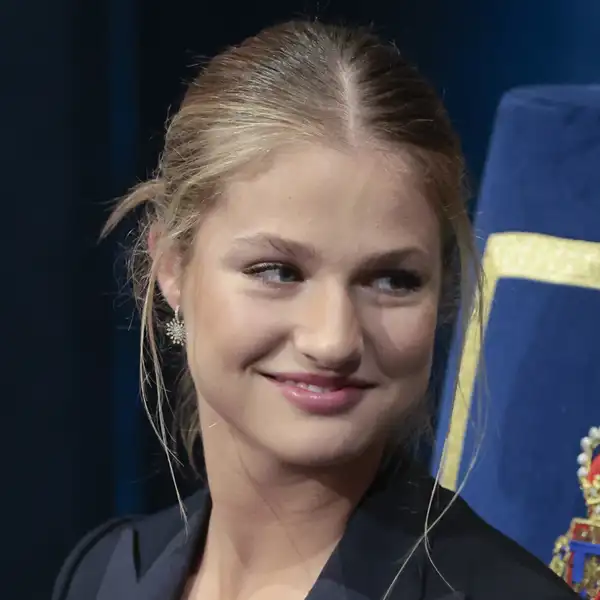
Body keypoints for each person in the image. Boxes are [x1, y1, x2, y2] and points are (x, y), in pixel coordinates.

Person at [52, 20, 578, 600]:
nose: (333, 340)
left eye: (391, 280)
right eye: (277, 272)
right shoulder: (103, 574)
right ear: (173, 269)